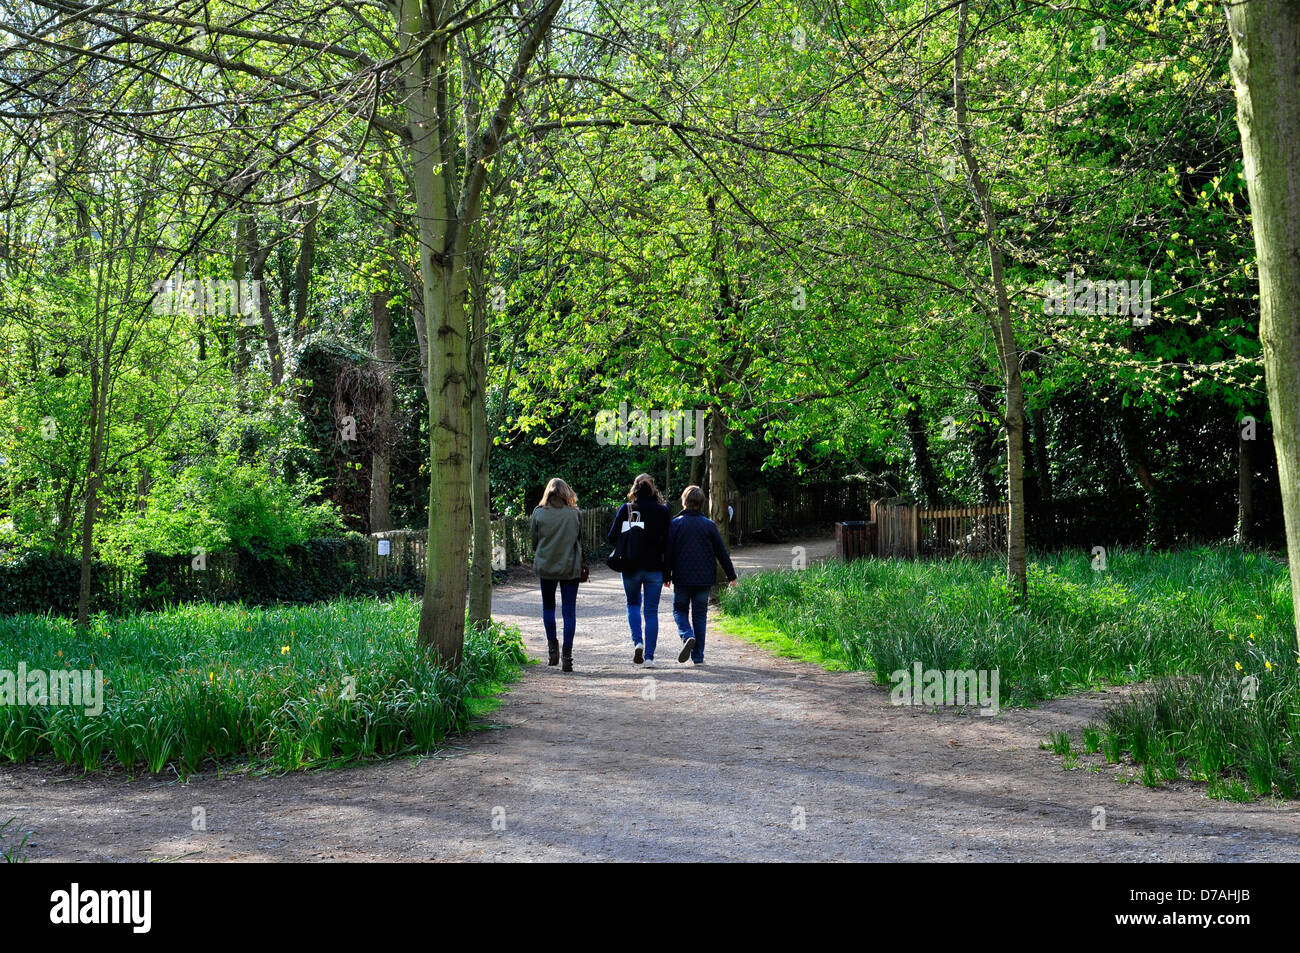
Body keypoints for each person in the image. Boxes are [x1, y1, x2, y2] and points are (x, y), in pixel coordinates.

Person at [664, 485, 737, 665]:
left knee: (679, 610)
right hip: (704, 579)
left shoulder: (675, 524)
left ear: (684, 501)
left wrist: (665, 575)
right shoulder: (709, 525)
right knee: (700, 616)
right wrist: (731, 576)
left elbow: (668, 553)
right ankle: (698, 657)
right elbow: (722, 553)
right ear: (702, 503)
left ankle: (687, 635)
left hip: (682, 578)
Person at [606, 474, 670, 668]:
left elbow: (611, 537)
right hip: (654, 568)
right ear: (654, 489)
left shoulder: (626, 509)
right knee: (651, 612)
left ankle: (638, 642)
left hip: (630, 566)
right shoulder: (663, 511)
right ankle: (649, 657)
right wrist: (668, 572)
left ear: (634, 489)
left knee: (633, 604)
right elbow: (668, 543)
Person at [530, 477, 583, 672]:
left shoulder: (538, 513)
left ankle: (553, 650)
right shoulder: (575, 514)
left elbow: (534, 541)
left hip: (547, 566)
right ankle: (567, 656)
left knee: (548, 607)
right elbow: (579, 538)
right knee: (569, 611)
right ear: (566, 493)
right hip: (570, 567)